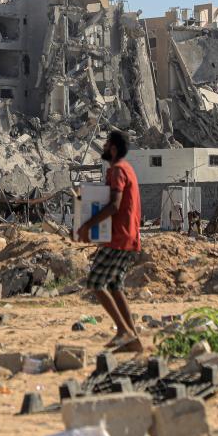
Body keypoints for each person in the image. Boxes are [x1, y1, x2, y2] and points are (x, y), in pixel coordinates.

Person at [76, 130, 143, 352]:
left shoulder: (117, 171)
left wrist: (87, 226)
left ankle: (123, 331)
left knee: (95, 282)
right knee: (115, 286)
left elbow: (114, 205)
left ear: (113, 148)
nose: (103, 147)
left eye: (106, 144)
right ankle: (133, 340)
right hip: (130, 237)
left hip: (119, 238)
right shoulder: (127, 169)